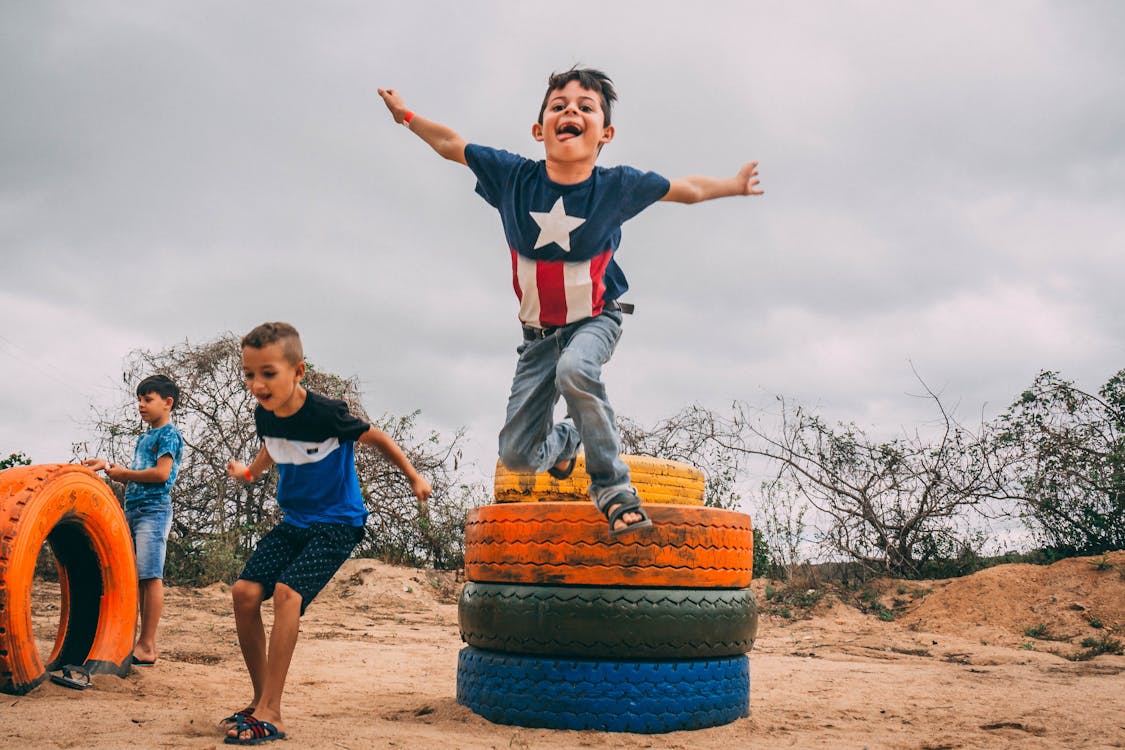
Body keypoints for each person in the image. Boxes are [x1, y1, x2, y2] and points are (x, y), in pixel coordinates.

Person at [378, 67, 762, 536]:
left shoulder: (616, 187)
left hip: (597, 319)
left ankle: (614, 492)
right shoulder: (513, 178)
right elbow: (450, 145)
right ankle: (565, 445)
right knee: (518, 455)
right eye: (558, 105)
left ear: (606, 133)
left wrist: (734, 184)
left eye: (585, 107)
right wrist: (407, 116)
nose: (570, 112)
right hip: (537, 337)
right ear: (540, 129)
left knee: (576, 371)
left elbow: (688, 191)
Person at [220, 321, 432, 745]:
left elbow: (377, 438)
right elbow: (272, 445)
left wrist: (413, 476)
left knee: (286, 595)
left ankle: (272, 714)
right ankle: (261, 700)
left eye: (268, 373)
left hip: (338, 524)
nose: (257, 384)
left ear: (298, 372)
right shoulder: (265, 413)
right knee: (243, 593)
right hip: (294, 522)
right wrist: (251, 471)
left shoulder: (326, 413)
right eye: (249, 374)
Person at [84, 374, 184, 667]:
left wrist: (124, 474)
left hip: (154, 511)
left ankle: (148, 645)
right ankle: (135, 641)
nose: (141, 405)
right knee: (136, 577)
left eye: (147, 399)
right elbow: (137, 476)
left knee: (150, 576)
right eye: (139, 399)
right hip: (136, 510)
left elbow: (161, 475)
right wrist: (107, 467)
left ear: (167, 403)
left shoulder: (169, 435)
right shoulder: (145, 436)